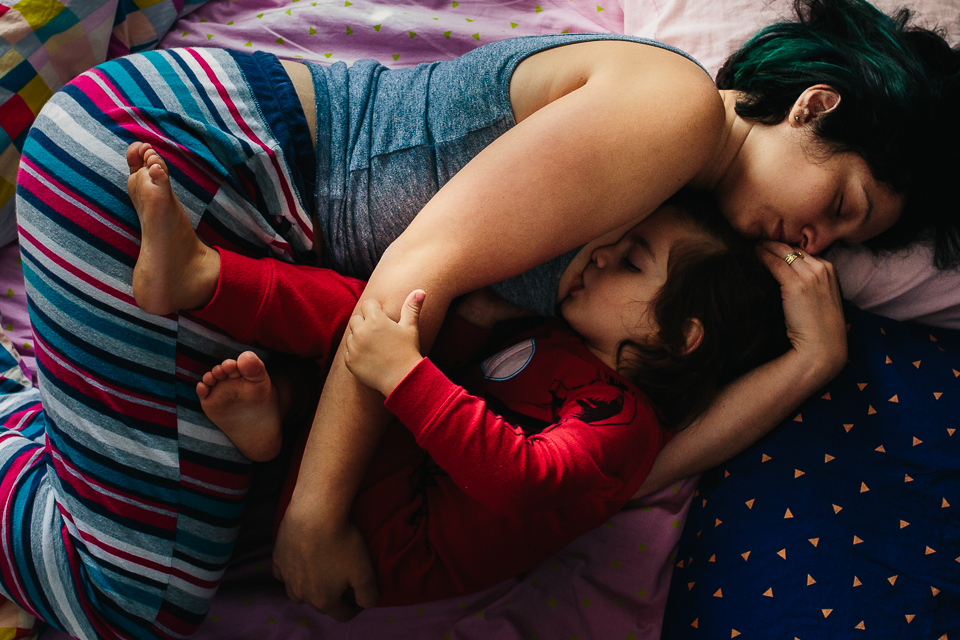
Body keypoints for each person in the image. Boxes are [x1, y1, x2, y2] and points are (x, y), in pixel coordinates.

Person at [8, 0, 957, 635]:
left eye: (845, 239)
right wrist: (315, 513)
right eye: (845, 203)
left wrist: (808, 364)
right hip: (196, 165)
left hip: (239, 231)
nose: (821, 240)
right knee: (133, 605)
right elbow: (409, 280)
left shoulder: (684, 251)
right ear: (815, 106)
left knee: (162, 551)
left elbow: (610, 476)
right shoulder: (673, 113)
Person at [127, 144, 789, 603]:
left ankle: (202, 282)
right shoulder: (564, 341)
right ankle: (281, 413)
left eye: (633, 262)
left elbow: (526, 478)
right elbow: (478, 376)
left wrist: (406, 374)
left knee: (367, 328)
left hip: (389, 535)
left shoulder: (622, 421)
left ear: (680, 335)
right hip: (380, 479)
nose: (602, 254)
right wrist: (466, 326)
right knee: (376, 316)